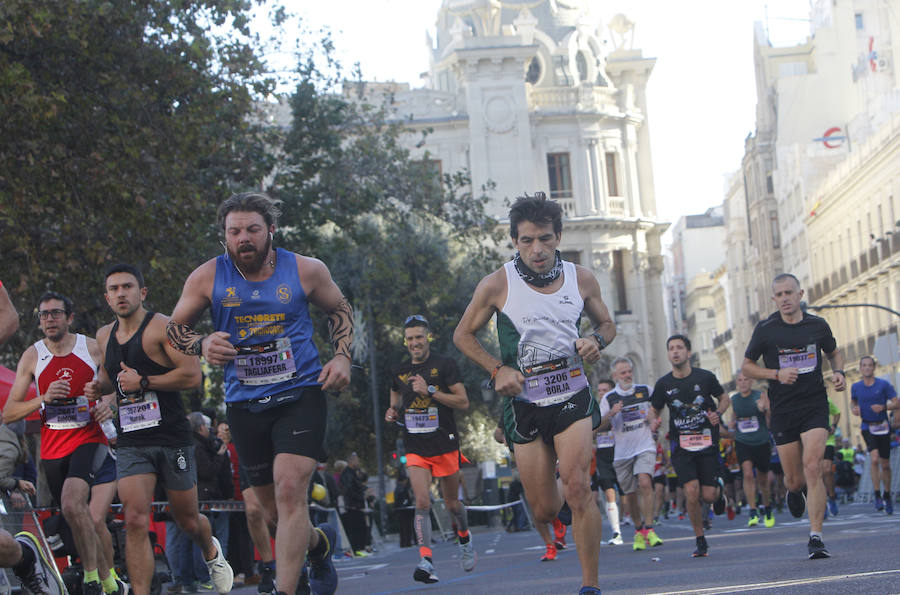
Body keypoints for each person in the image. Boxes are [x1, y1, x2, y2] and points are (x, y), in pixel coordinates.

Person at [166, 192, 352, 595]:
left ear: (270, 230)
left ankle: (290, 589)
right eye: (235, 232)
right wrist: (201, 344)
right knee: (270, 512)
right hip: (244, 402)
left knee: (289, 490)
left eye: (252, 229)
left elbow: (339, 309)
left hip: (300, 392)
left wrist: (341, 357)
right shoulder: (207, 277)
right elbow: (174, 329)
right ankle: (318, 548)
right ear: (225, 237)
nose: (243, 238)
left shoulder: (305, 269)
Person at [453, 192, 615, 595]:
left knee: (579, 487)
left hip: (572, 392)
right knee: (544, 508)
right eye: (527, 240)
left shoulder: (582, 278)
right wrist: (497, 369)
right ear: (515, 242)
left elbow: (607, 325)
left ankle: (590, 585)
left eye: (544, 238)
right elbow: (462, 334)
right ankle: (561, 499)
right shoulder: (496, 284)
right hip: (524, 404)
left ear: (558, 236)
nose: (537, 249)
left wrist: (596, 340)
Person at [86, 264, 233, 595]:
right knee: (136, 519)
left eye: (127, 286)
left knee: (188, 520)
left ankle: (210, 552)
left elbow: (192, 376)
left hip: (172, 438)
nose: (121, 293)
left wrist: (144, 381)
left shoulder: (164, 328)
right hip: (132, 440)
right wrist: (99, 389)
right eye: (114, 289)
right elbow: (109, 376)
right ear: (107, 297)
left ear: (143, 292)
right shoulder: (103, 335)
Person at [4, 291, 122, 595]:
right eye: (43, 315)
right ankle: (110, 581)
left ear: (69, 318)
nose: (49, 319)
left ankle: (92, 578)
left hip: (89, 439)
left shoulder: (91, 348)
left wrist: (107, 403)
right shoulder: (32, 356)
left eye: (56, 313)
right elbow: (8, 413)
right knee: (75, 514)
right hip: (53, 449)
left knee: (73, 503)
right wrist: (42, 397)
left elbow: (115, 384)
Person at [742, 273, 845, 559]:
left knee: (814, 466)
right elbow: (747, 367)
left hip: (814, 404)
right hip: (784, 409)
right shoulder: (766, 330)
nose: (785, 299)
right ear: (774, 299)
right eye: (779, 295)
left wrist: (839, 372)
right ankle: (793, 490)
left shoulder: (817, 325)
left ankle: (816, 537)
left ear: (800, 294)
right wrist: (775, 374)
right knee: (794, 479)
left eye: (789, 293)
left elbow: (835, 353)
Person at [385, 314, 473, 583]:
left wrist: (430, 391)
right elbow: (396, 400)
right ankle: (426, 560)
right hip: (415, 446)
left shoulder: (445, 365)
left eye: (420, 337)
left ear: (429, 337)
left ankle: (465, 539)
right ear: (405, 341)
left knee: (452, 504)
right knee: (421, 501)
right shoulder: (398, 371)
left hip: (444, 443)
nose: (415, 343)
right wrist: (392, 411)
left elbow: (463, 402)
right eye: (410, 338)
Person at [648, 335, 729, 558]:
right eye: (671, 348)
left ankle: (719, 489)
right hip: (681, 444)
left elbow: (724, 398)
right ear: (668, 354)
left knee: (709, 496)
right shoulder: (664, 384)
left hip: (706, 441)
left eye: (680, 348)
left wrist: (718, 414)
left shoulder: (705, 377)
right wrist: (653, 422)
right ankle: (700, 539)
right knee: (691, 492)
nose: (675, 352)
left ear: (688, 352)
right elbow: (654, 409)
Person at [599, 358, 662, 551]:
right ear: (615, 376)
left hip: (644, 445)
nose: (627, 375)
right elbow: (598, 426)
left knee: (645, 481)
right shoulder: (608, 398)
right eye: (623, 373)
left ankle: (650, 528)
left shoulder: (645, 390)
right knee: (630, 494)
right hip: (622, 452)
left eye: (629, 371)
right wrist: (611, 413)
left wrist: (653, 423)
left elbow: (655, 410)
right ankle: (638, 530)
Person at [851, 355, 898, 514]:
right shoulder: (856, 387)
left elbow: (897, 401)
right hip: (867, 426)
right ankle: (877, 494)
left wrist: (884, 408)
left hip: (883, 426)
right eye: (864, 365)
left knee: (885, 464)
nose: (867, 368)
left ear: (873, 368)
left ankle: (887, 495)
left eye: (870, 365)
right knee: (875, 458)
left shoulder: (883, 385)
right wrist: (854, 409)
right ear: (860, 368)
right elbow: (854, 402)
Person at [729, 372, 774, 528]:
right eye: (740, 380)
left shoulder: (760, 395)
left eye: (746, 380)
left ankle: (767, 507)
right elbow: (733, 419)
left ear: (751, 381)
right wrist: (731, 425)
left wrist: (765, 410)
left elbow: (769, 422)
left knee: (762, 479)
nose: (743, 383)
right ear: (737, 383)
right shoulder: (734, 399)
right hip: (742, 441)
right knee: (747, 474)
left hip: (761, 440)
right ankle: (753, 511)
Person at [592, 378, 623, 545]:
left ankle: (642, 526)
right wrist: (609, 415)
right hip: (603, 453)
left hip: (621, 450)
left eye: (605, 390)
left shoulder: (622, 404)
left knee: (627, 492)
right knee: (609, 491)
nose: (602, 393)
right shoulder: (595, 409)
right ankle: (616, 531)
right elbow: (592, 429)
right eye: (600, 390)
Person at [339, 453, 367, 556]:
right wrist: (361, 497)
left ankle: (361, 548)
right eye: (357, 460)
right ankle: (357, 549)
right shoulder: (348, 474)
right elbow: (349, 490)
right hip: (353, 505)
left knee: (361, 527)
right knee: (356, 528)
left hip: (357, 504)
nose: (358, 462)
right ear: (351, 461)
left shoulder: (353, 473)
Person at [822, 398, 841, 516]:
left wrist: (834, 425)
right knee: (817, 473)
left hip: (828, 440)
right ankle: (821, 503)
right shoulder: (803, 400)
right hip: (812, 441)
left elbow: (837, 413)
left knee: (828, 470)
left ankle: (832, 497)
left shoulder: (826, 400)